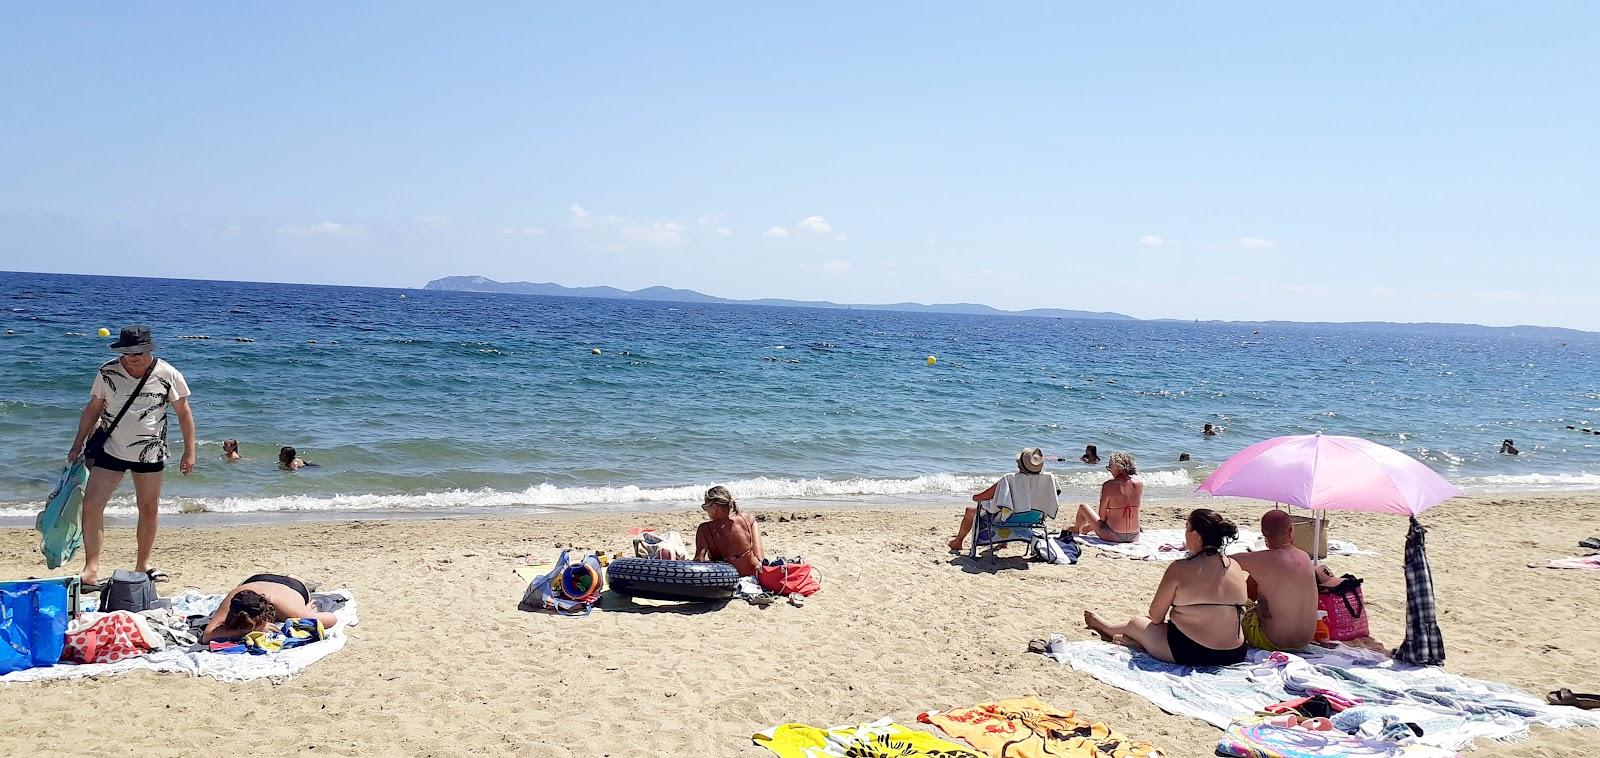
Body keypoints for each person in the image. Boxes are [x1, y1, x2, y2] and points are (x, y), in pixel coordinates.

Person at [66, 326, 195, 588]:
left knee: (148, 507)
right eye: (127, 351)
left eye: (137, 351)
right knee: (91, 505)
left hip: (150, 452)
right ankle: (91, 568)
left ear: (148, 349)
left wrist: (190, 451)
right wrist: (77, 444)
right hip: (110, 448)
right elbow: (93, 408)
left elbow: (183, 413)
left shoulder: (167, 373)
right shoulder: (108, 371)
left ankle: (143, 565)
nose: (132, 357)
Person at [1084, 509, 1249, 666]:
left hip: (1191, 651)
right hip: (1234, 653)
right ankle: (1142, 643)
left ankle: (1105, 627)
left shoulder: (1180, 568)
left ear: (1197, 536)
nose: (1184, 534)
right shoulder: (1234, 565)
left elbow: (1155, 617)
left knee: (1136, 623)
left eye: (1187, 528)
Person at [1231, 510, 1319, 651]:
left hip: (1271, 641)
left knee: (1232, 593)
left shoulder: (1259, 560)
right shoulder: (1304, 556)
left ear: (1264, 534)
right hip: (1304, 642)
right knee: (1260, 575)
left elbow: (1220, 562)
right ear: (1291, 531)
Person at [947, 448, 1054, 552]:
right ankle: (1003, 543)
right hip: (1033, 519)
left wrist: (975, 496)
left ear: (1019, 464)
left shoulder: (1010, 479)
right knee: (1011, 505)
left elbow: (980, 497)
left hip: (1006, 518)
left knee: (971, 511)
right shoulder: (1048, 480)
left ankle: (958, 542)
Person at [200, 574, 339, 643]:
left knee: (295, 581)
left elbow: (332, 619)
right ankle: (290, 575)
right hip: (253, 581)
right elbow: (207, 636)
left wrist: (305, 613)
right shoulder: (235, 600)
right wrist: (252, 629)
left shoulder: (288, 610)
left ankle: (294, 577)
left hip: (292, 586)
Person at [695, 486, 765, 576]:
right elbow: (760, 557)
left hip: (729, 578)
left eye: (705, 507)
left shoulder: (705, 529)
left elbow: (699, 561)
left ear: (714, 507)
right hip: (755, 573)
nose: (705, 511)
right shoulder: (748, 518)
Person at [1073, 451, 1142, 543]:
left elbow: (1102, 517)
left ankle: (1076, 529)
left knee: (1083, 507)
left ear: (1118, 466)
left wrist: (1092, 526)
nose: (1109, 470)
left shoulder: (1108, 485)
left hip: (1114, 535)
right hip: (1134, 535)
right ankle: (1085, 529)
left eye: (1110, 466)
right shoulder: (1139, 484)